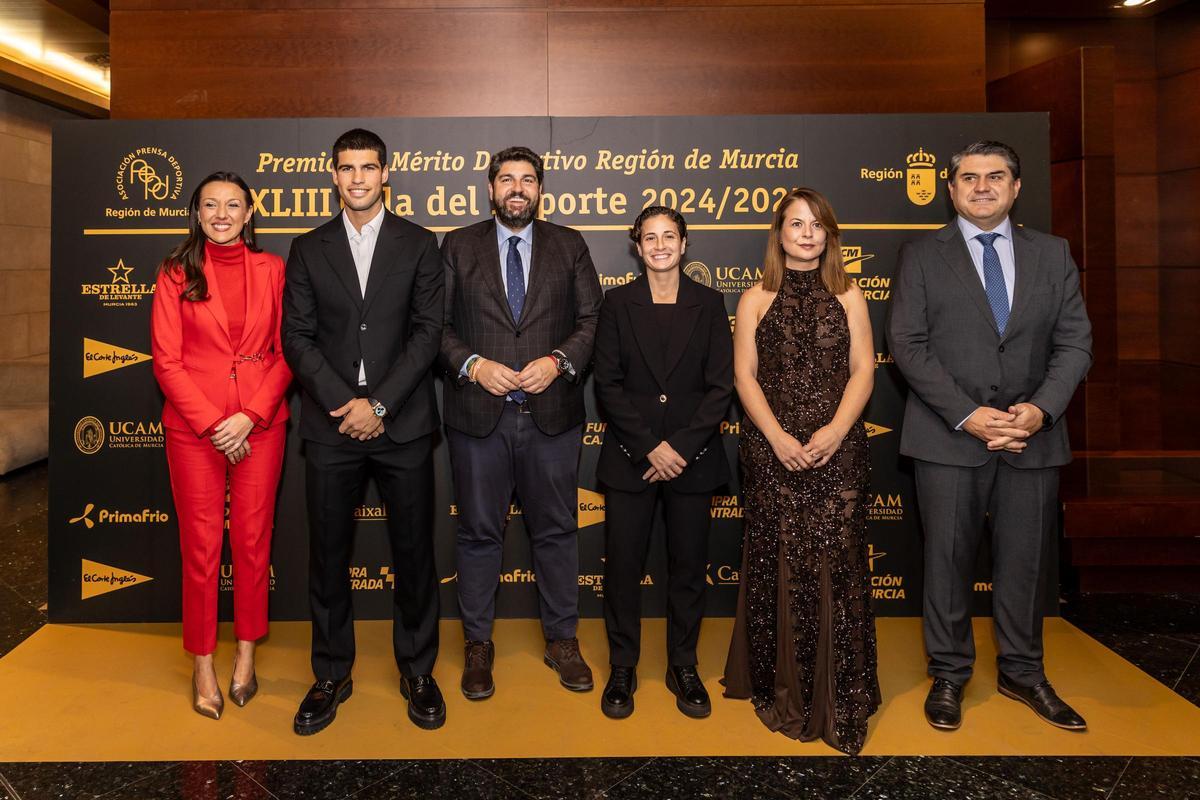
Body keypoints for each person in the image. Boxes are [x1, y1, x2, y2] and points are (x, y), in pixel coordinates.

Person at [887, 140, 1092, 732]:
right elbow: (908, 344)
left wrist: (1041, 410)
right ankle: (949, 674)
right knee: (946, 561)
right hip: (950, 437)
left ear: (1016, 186)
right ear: (950, 189)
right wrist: (969, 415)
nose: (982, 186)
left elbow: (1075, 342)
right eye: (969, 178)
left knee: (1025, 564)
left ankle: (1023, 673)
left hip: (1033, 438)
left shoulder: (1053, 255)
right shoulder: (922, 255)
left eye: (995, 176)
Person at [282, 128, 446, 734]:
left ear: (386, 173)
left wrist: (377, 404)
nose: (357, 178)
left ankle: (418, 670)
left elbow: (428, 333)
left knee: (414, 554)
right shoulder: (307, 247)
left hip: (401, 424)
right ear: (333, 175)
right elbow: (295, 337)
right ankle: (330, 673)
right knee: (327, 559)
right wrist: (343, 403)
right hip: (330, 428)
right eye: (346, 168)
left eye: (368, 167)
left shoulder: (420, 244)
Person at [439, 146, 603, 701]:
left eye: (527, 179)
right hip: (477, 416)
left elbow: (591, 319)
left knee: (556, 531)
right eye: (506, 179)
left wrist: (557, 362)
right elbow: (433, 326)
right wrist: (473, 365)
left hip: (551, 417)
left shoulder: (569, 244)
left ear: (539, 188)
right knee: (479, 534)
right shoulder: (458, 245)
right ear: (489, 188)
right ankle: (478, 647)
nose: (517, 188)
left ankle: (562, 640)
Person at [723, 188, 879, 755]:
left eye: (816, 225)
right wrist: (779, 438)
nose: (807, 233)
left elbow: (864, 370)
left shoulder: (852, 295)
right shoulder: (755, 298)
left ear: (829, 234)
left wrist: (835, 431)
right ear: (779, 234)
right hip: (773, 450)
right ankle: (779, 682)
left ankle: (841, 691)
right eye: (796, 224)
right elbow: (745, 377)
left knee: (836, 560)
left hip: (839, 448)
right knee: (778, 561)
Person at [151, 171, 292, 720]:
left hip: (261, 424)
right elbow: (166, 360)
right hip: (194, 430)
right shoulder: (174, 272)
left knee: (254, 544)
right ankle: (204, 661)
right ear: (197, 212)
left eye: (233, 204)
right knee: (202, 549)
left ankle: (247, 653)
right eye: (210, 205)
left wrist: (250, 415)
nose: (222, 214)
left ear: (250, 212)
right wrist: (215, 423)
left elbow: (288, 352)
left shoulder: (274, 269)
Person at [593, 206, 733, 720]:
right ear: (636, 246)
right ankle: (623, 666)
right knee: (624, 570)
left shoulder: (711, 303)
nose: (659, 245)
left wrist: (680, 448)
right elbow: (606, 384)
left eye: (668, 236)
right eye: (649, 237)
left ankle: (683, 665)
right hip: (633, 458)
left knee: (689, 570)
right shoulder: (616, 304)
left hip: (691, 461)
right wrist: (650, 446)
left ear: (684, 243)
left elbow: (721, 387)